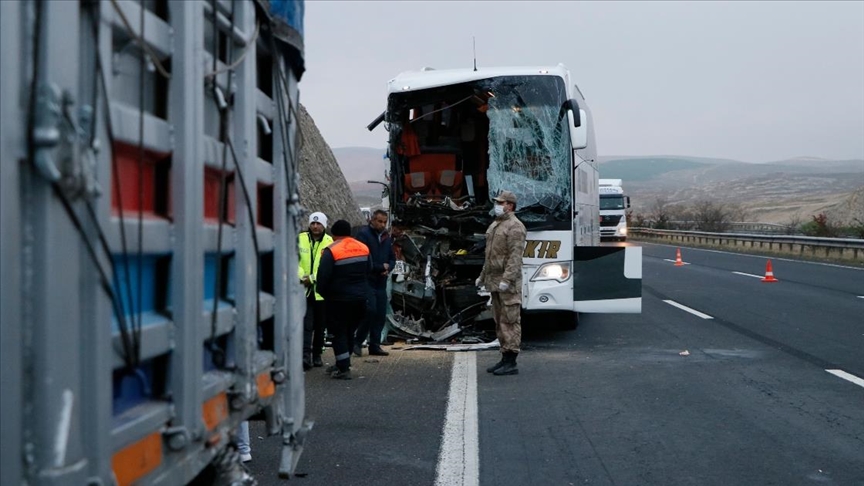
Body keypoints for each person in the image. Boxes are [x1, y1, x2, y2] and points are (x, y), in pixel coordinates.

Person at [476, 190, 527, 376]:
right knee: (499, 321)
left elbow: (515, 257)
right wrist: (482, 276)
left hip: (508, 283)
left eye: (501, 202)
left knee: (510, 320)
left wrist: (507, 280)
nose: (498, 205)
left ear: (510, 205)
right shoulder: (496, 225)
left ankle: (511, 360)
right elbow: (490, 256)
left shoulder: (515, 227)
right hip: (494, 281)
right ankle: (504, 356)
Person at [316, 220, 371, 380]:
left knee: (337, 332)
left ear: (333, 234)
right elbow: (369, 271)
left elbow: (323, 277)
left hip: (338, 300)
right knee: (349, 331)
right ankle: (342, 363)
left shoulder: (331, 250)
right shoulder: (363, 248)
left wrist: (323, 294)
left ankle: (344, 369)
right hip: (360, 299)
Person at [353, 209, 396, 357]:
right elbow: (364, 257)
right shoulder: (363, 235)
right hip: (368, 280)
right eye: (380, 221)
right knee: (370, 310)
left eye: (384, 222)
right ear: (372, 220)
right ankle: (357, 341)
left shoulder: (386, 237)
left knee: (380, 314)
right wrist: (380, 267)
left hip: (381, 281)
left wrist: (389, 267)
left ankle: (375, 345)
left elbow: (392, 257)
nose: (382, 224)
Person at [298, 211, 334, 370]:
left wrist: (311, 278)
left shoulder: (329, 242)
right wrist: (302, 277)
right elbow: (294, 260)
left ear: (324, 225)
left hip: (321, 291)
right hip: (304, 291)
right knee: (306, 325)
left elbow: (326, 267)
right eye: (313, 223)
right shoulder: (300, 239)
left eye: (318, 223)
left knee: (320, 326)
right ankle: (305, 357)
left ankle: (317, 354)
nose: (315, 226)